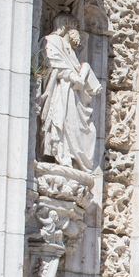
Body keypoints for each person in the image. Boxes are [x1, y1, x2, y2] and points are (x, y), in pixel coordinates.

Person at [38, 13, 102, 171]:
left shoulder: (72, 51)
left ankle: (72, 157)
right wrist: (72, 75)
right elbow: (50, 62)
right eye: (75, 28)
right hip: (61, 92)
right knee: (63, 121)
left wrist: (82, 75)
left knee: (87, 130)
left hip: (74, 96)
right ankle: (61, 154)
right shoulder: (52, 41)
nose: (78, 33)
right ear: (66, 27)